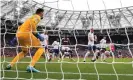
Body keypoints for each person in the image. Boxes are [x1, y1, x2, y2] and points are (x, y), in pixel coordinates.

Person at [6, 8, 45, 72]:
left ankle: (11, 64)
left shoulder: (29, 18)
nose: (43, 14)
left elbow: (20, 27)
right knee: (41, 48)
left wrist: (15, 38)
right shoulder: (37, 17)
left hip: (19, 35)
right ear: (41, 13)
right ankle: (31, 66)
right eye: (43, 13)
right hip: (26, 34)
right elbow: (32, 23)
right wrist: (37, 34)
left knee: (25, 52)